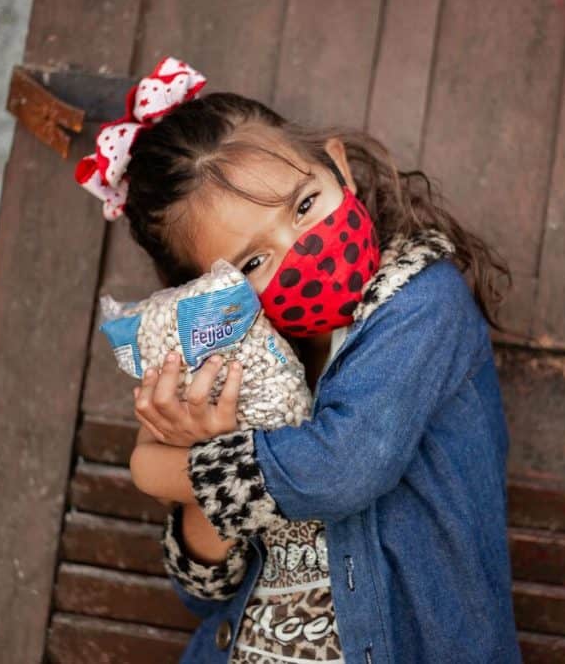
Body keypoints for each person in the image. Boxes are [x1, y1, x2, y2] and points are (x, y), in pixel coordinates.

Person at [76, 56, 523, 663]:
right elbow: (204, 595)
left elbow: (342, 467)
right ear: (214, 288)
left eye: (303, 205)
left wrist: (160, 469)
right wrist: (208, 446)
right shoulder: (243, 363)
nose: (302, 249)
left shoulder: (423, 305)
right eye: (255, 262)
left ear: (336, 164)